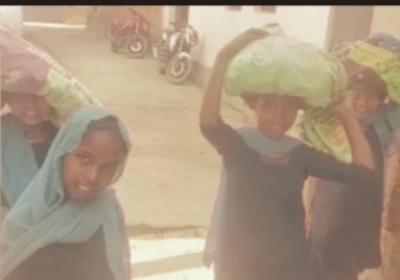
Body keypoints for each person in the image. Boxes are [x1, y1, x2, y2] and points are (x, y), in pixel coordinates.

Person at [200, 28, 378, 280]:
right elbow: (208, 123)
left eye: (289, 108)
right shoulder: (238, 145)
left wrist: (346, 114)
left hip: (289, 266)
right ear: (253, 105)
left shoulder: (299, 154)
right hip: (239, 265)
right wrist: (221, 60)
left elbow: (365, 174)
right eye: (268, 105)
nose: (279, 117)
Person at [1, 107, 131, 280]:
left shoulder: (106, 213)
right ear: (61, 153)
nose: (93, 176)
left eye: (108, 167)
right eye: (83, 157)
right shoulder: (23, 218)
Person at [308, 69, 400, 280]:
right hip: (328, 208)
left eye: (372, 96)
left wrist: (383, 60)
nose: (363, 102)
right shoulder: (330, 123)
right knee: (318, 259)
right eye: (356, 93)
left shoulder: (385, 123)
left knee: (346, 269)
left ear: (383, 99)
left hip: (362, 214)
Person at [1, 91, 58, 216]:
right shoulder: (3, 134)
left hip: (60, 223)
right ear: (8, 100)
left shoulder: (65, 135)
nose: (30, 104)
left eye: (38, 96)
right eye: (19, 96)